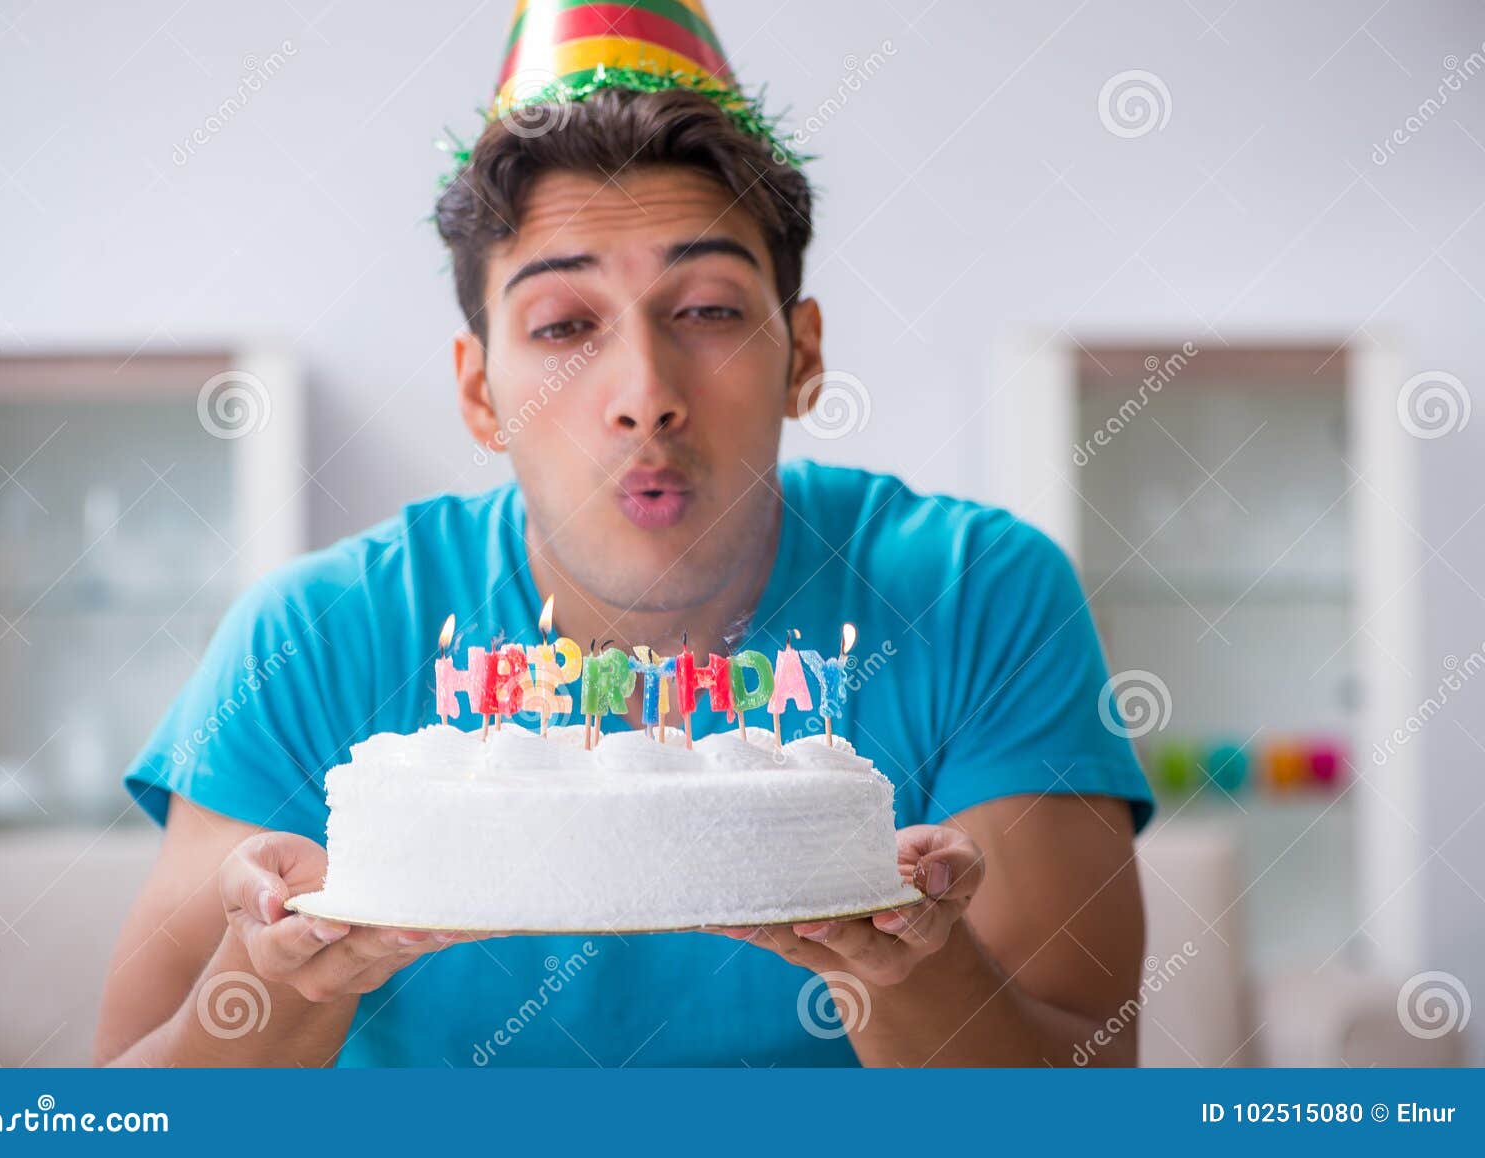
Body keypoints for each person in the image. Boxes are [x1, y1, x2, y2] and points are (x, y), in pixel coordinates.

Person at [96, 0, 1152, 1068]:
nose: (643, 395)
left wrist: (906, 964)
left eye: (706, 310)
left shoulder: (977, 594)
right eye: (562, 327)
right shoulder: (315, 637)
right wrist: (271, 985)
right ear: (478, 391)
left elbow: (1087, 1091)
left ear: (801, 356)